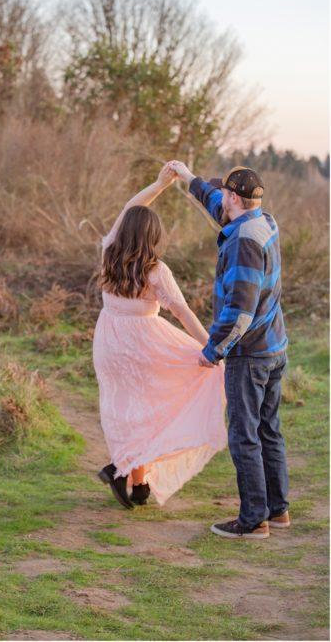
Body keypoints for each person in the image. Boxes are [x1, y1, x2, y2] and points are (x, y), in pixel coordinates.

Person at [93, 163, 227, 510]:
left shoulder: (109, 251)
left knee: (125, 411)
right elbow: (183, 313)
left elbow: (128, 209)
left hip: (108, 340)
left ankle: (137, 482)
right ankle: (122, 468)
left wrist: (158, 185)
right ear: (153, 236)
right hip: (142, 344)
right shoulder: (155, 270)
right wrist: (211, 347)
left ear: (123, 231)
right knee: (152, 410)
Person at [169, 161, 290, 540]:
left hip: (249, 355)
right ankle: (277, 509)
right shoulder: (261, 221)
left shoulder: (243, 244)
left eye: (224, 193)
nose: (219, 196)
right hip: (273, 347)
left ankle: (254, 520)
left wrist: (213, 351)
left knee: (244, 435)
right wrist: (189, 179)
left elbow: (239, 312)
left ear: (234, 198)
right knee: (269, 430)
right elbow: (215, 203)